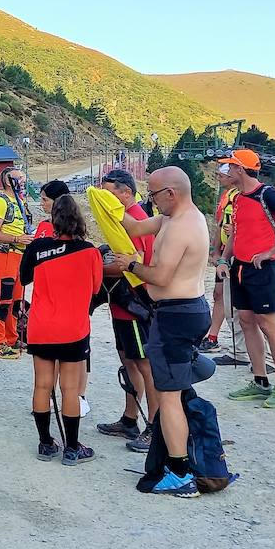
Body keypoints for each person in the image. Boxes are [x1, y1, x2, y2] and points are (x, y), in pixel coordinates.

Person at [119, 166, 216, 498]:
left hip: (177, 314)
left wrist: (129, 265)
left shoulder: (181, 226)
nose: (152, 201)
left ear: (171, 194)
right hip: (181, 313)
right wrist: (109, 202)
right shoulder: (174, 217)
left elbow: (159, 277)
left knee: (169, 396)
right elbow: (133, 226)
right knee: (175, 387)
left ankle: (179, 472)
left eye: (155, 195)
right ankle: (181, 458)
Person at [215, 149, 275, 410]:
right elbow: (236, 233)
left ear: (240, 170)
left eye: (229, 167)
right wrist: (224, 259)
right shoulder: (238, 197)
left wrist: (272, 251)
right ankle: (259, 380)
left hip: (264, 269)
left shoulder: (268, 194)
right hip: (241, 268)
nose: (225, 171)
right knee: (246, 321)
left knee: (268, 325)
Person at [20, 192, 103, 464]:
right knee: (69, 389)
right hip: (73, 328)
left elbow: (24, 277)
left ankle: (45, 443)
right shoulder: (90, 251)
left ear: (53, 219)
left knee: (42, 385)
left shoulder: (38, 248)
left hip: (42, 325)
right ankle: (72, 447)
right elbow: (94, 289)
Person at [95, 169, 159, 452]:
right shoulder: (124, 221)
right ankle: (130, 419)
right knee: (129, 362)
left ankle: (155, 427)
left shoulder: (138, 221)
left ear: (126, 194)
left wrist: (91, 266)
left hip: (135, 305)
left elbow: (139, 264)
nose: (105, 200)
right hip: (122, 305)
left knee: (144, 366)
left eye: (110, 194)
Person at [0, 167, 35, 359]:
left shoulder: (20, 202)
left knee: (16, 301)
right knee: (3, 299)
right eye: (19, 178)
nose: (23, 181)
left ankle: (12, 337)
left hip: (20, 257)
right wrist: (17, 239)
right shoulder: (1, 202)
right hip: (5, 255)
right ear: (8, 181)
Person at [206, 165, 247, 363]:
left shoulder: (246, 197)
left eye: (223, 175)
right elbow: (221, 224)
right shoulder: (228, 196)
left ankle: (244, 352)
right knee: (221, 296)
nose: (220, 178)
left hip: (238, 257)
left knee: (240, 306)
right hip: (226, 255)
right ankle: (229, 346)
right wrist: (216, 250)